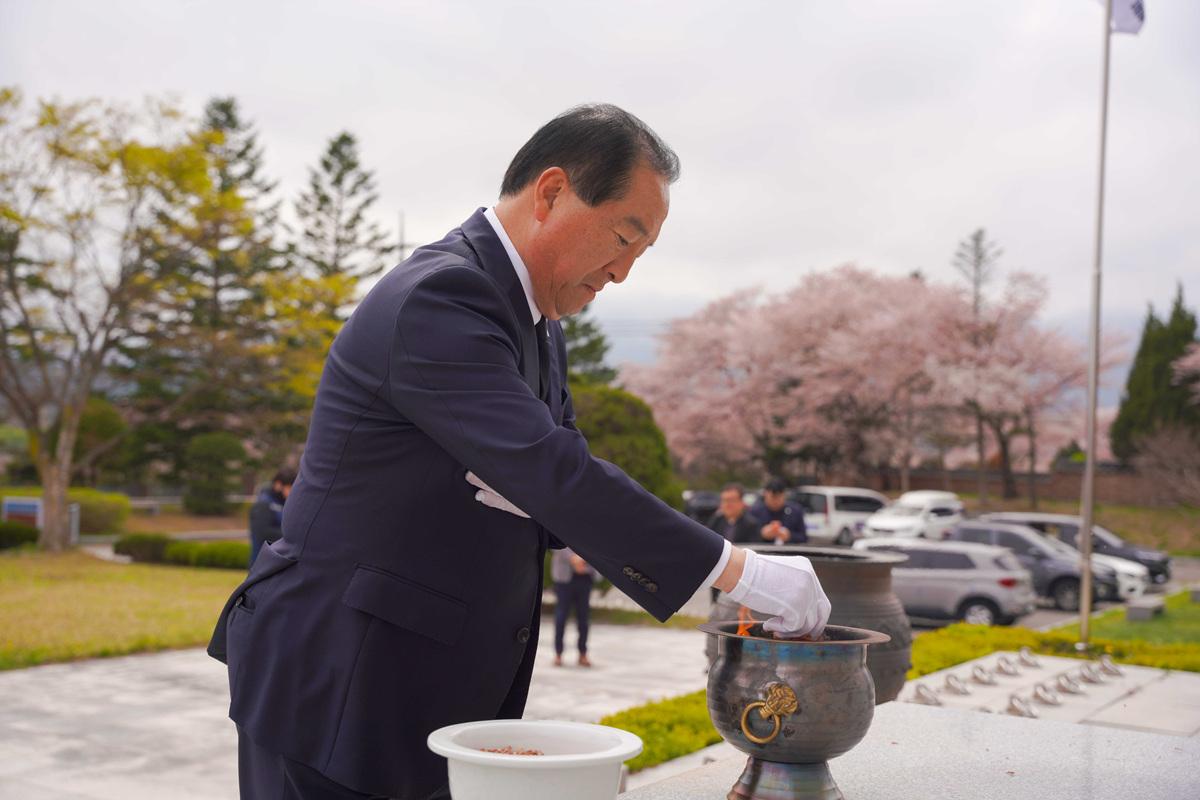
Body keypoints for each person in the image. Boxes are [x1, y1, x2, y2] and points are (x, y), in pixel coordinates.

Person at [207, 104, 830, 800]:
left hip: (422, 680)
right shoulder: (440, 296)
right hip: (341, 680)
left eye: (640, 254)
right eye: (622, 237)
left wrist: (537, 485)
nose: (621, 273)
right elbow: (550, 469)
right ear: (553, 191)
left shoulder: (537, 322)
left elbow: (552, 480)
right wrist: (739, 570)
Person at [550, 547, 596, 667]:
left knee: (584, 618)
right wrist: (572, 558)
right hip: (564, 578)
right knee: (561, 616)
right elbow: (556, 542)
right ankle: (558, 653)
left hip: (585, 577)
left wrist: (583, 560)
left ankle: (583, 653)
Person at [248, 469, 295, 566]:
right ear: (278, 485)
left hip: (277, 561)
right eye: (290, 487)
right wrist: (292, 537)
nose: (292, 492)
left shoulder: (284, 504)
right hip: (262, 563)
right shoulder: (264, 503)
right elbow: (262, 532)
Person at [750, 477, 808, 545]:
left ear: (784, 495)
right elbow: (745, 537)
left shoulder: (795, 511)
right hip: (762, 553)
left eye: (779, 497)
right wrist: (761, 534)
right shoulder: (755, 512)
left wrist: (790, 536)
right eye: (772, 497)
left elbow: (804, 538)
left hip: (789, 553)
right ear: (765, 494)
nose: (775, 501)